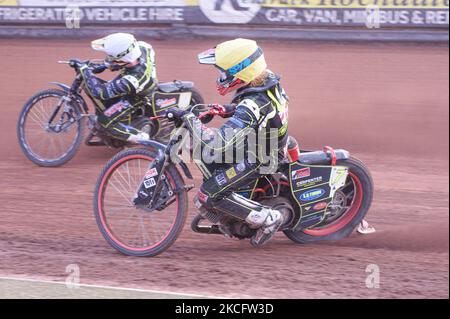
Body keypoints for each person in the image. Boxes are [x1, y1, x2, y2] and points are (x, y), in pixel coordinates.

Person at [167, 38, 290, 246]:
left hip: (260, 158)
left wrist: (190, 121)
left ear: (241, 72)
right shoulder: (266, 81)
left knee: (207, 194)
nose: (222, 77)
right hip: (262, 143)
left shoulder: (252, 104)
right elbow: (254, 110)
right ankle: (235, 211)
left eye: (225, 72)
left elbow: (219, 142)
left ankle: (269, 218)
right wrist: (224, 109)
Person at [78, 33, 157, 143]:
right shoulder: (142, 47)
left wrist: (85, 71)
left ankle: (141, 137)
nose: (109, 57)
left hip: (136, 97)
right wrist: (108, 65)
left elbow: (100, 93)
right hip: (136, 77)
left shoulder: (132, 80)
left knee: (103, 121)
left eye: (112, 56)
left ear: (123, 58)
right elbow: (119, 61)